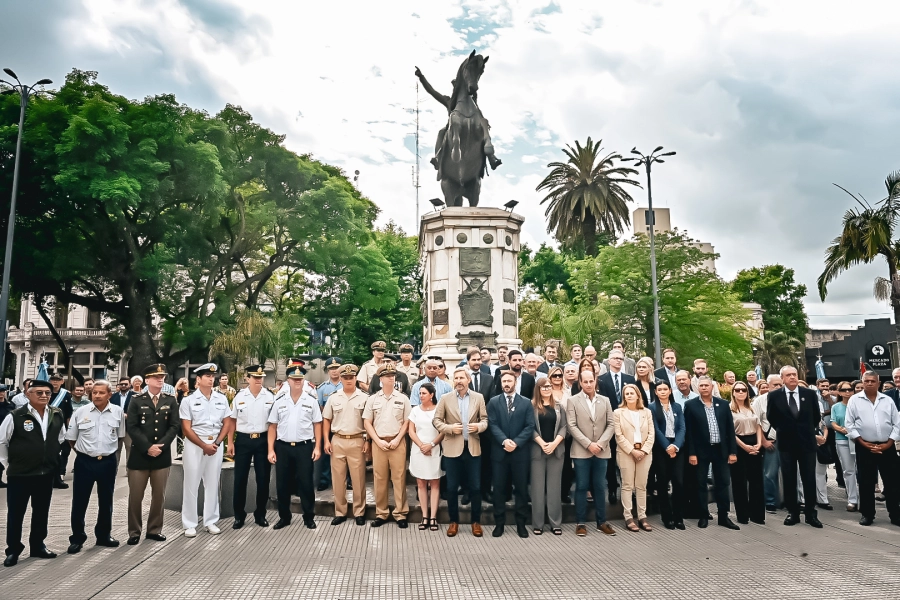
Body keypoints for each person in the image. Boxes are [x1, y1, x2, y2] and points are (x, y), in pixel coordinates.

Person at [0, 379, 66, 567]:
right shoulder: (16, 415)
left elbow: (60, 439)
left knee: (41, 512)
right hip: (20, 474)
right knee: (16, 513)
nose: (44, 396)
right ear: (28, 394)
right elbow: (2, 442)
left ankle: (38, 545)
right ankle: (13, 549)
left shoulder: (57, 414)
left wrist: (51, 459)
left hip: (45, 474)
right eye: (39, 393)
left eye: (47, 393)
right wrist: (8, 465)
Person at [65, 380, 125, 555]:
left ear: (109, 394)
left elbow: (120, 436)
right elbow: (71, 438)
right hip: (85, 462)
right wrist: (85, 453)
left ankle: (104, 535)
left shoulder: (118, 412)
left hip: (107, 462)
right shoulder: (81, 412)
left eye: (101, 393)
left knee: (106, 500)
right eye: (94, 393)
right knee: (79, 501)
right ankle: (77, 538)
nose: (97, 395)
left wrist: (106, 452)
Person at [125, 364, 181, 546]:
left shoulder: (170, 400)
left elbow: (174, 426)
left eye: (162, 376)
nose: (160, 379)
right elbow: (132, 427)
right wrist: (147, 447)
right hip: (140, 455)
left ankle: (154, 530)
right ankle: (134, 532)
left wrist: (161, 446)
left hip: (161, 456)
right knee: (135, 496)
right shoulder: (136, 399)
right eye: (156, 377)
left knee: (159, 496)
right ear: (147, 380)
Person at [766, 366, 823, 528]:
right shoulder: (774, 396)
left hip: (807, 443)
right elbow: (772, 418)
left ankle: (811, 514)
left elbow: (816, 417)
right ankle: (793, 513)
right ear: (782, 378)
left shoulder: (810, 394)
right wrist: (786, 430)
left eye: (794, 374)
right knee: (789, 478)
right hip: (786, 443)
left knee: (809, 479)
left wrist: (804, 431)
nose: (792, 377)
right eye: (788, 375)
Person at [434, 369, 489, 537]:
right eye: (456, 378)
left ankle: (475, 522)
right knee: (451, 488)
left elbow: (485, 420)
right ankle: (453, 521)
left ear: (468, 380)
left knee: (475, 487)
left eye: (462, 378)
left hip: (472, 447)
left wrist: (479, 427)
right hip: (452, 449)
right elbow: (436, 420)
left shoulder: (478, 397)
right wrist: (449, 428)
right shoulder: (445, 399)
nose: (459, 381)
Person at [267, 364, 322, 530]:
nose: (297, 381)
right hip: (282, 447)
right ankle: (284, 517)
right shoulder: (279, 401)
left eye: (300, 379)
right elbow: (272, 426)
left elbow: (317, 425)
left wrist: (317, 447)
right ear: (288, 381)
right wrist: (270, 449)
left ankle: (309, 517)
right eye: (294, 379)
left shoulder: (311, 401)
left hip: (304, 447)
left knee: (305, 483)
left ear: (303, 380)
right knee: (282, 483)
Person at [179, 363, 230, 537]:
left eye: (212, 376)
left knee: (212, 484)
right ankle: (190, 523)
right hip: (195, 445)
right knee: (191, 484)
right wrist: (204, 446)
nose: (211, 379)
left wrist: (216, 443)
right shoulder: (188, 400)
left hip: (215, 445)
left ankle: (210, 521)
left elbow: (227, 422)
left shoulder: (221, 399)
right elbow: (186, 428)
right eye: (207, 376)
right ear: (198, 379)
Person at [684, 376, 740, 530]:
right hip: (701, 451)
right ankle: (703, 515)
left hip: (721, 450)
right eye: (701, 385)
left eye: (706, 385)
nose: (704, 388)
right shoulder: (691, 405)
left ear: (711, 387)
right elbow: (689, 432)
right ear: (698, 388)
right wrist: (692, 453)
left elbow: (729, 429)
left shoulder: (722, 404)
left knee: (723, 483)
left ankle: (724, 516)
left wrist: (732, 452)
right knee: (701, 483)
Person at [845, 371, 900, 526]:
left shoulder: (887, 400)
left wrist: (889, 443)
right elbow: (849, 424)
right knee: (866, 482)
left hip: (886, 446)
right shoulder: (855, 400)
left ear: (878, 382)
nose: (869, 383)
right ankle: (867, 514)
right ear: (862, 382)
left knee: (892, 481)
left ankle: (895, 514)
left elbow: (897, 424)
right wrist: (862, 442)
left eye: (872, 381)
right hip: (865, 446)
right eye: (866, 381)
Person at [565, 368, 616, 537]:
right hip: (581, 451)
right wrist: (588, 444)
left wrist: (600, 444)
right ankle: (580, 522)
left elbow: (611, 424)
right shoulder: (573, 401)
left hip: (601, 451)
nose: (588, 384)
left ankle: (602, 522)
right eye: (585, 381)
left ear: (595, 381)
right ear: (580, 383)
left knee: (600, 487)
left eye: (591, 381)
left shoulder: (605, 400)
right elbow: (571, 426)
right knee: (581, 486)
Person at [226, 365, 275, 530]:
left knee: (263, 480)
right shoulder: (240, 396)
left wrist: (271, 447)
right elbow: (232, 421)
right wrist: (230, 442)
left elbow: (273, 423)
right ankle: (239, 516)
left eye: (261, 377)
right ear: (247, 378)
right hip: (243, 440)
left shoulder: (270, 396)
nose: (259, 380)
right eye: (255, 377)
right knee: (240, 479)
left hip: (262, 440)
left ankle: (260, 515)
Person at [488, 370, 535, 538]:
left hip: (520, 453)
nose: (506, 384)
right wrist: (504, 441)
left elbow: (530, 426)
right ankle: (499, 523)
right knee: (499, 489)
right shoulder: (493, 402)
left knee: (521, 489)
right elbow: (492, 424)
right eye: (504, 381)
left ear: (515, 382)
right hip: (500, 453)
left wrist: (516, 442)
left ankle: (521, 523)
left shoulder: (526, 402)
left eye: (509, 381)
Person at [364, 363, 412, 528]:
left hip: (397, 442)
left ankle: (400, 513)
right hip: (379, 442)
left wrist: (398, 439)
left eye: (393, 375)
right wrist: (377, 441)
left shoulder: (403, 398)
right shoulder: (372, 399)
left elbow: (407, 422)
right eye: (387, 375)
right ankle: (381, 513)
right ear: (381, 379)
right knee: (380, 479)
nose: (391, 377)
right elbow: (367, 422)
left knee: (399, 478)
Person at [322, 364, 369, 526]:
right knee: (338, 479)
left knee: (358, 479)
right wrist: (327, 440)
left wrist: (367, 440)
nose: (349, 380)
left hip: (357, 439)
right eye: (346, 378)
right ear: (341, 379)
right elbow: (326, 420)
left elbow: (369, 421)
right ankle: (340, 512)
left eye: (351, 377)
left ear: (356, 378)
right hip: (338, 440)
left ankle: (359, 512)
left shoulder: (364, 397)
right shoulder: (334, 397)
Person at [614, 384, 655, 532]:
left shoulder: (647, 412)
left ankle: (642, 516)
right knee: (627, 485)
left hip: (644, 452)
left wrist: (643, 450)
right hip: (626, 452)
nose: (629, 395)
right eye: (627, 393)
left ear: (638, 395)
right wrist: (632, 451)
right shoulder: (618, 413)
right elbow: (619, 436)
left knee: (641, 485)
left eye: (632, 393)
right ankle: (628, 516)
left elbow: (651, 434)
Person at [530, 376, 567, 535]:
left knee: (554, 488)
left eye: (549, 386)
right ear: (538, 389)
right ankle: (538, 524)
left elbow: (565, 427)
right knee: (537, 489)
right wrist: (542, 443)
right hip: (538, 451)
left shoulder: (559, 406)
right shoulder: (531, 406)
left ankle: (555, 523)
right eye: (543, 387)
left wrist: (553, 444)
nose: (546, 389)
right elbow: (528, 427)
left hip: (556, 451)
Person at [597, 349, 635, 504]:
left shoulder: (630, 378)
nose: (619, 361)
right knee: (611, 458)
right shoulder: (601, 379)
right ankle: (612, 489)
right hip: (609, 423)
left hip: (628, 422)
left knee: (628, 456)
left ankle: (630, 489)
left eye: (621, 358)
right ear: (609, 361)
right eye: (616, 358)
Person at [649, 380, 686, 529]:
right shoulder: (651, 408)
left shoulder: (677, 406)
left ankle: (679, 517)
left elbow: (682, 428)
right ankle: (667, 517)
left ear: (670, 391)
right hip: (661, 449)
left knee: (678, 482)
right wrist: (667, 446)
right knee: (663, 483)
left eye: (665, 389)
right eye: (660, 389)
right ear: (656, 392)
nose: (663, 391)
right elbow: (655, 429)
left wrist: (676, 445)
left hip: (677, 448)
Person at [409, 382, 444, 531]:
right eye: (420, 393)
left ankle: (433, 517)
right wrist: (422, 446)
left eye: (424, 393)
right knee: (421, 483)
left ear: (432, 395)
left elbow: (443, 431)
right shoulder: (415, 410)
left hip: (435, 450)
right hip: (418, 450)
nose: (421, 396)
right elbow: (411, 431)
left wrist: (431, 445)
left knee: (435, 484)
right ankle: (424, 516)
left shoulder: (439, 410)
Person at [729, 382, 765, 525]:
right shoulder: (729, 409)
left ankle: (757, 515)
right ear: (733, 392)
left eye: (743, 390)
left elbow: (758, 426)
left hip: (755, 444)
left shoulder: (752, 408)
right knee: (740, 482)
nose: (740, 392)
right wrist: (744, 446)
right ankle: (743, 515)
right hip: (739, 445)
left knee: (757, 481)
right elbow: (730, 432)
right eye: (737, 390)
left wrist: (759, 444)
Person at [752, 374, 782, 514]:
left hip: (789, 442)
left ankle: (790, 501)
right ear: (767, 385)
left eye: (779, 384)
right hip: (771, 442)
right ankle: (770, 502)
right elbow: (755, 422)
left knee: (791, 473)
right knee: (770, 474)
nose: (777, 387)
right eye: (774, 385)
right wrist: (763, 441)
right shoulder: (760, 401)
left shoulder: (788, 399)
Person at [315, 357, 344, 493]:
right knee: (326, 454)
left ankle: (347, 480)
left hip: (344, 425)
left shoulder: (346, 385)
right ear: (327, 370)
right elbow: (320, 407)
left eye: (337, 368)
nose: (334, 371)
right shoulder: (322, 388)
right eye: (331, 369)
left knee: (346, 455)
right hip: (328, 425)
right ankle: (324, 480)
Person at [830, 381, 859, 512]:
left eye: (850, 389)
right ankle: (852, 499)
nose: (847, 392)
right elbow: (833, 423)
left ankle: (863, 498)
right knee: (848, 470)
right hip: (842, 440)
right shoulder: (836, 407)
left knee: (862, 470)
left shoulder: (858, 404)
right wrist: (842, 430)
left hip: (859, 440)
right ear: (839, 392)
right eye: (844, 390)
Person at [48, 373, 74, 489]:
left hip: (61, 426)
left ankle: (61, 473)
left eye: (57, 380)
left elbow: (69, 412)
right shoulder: (46, 392)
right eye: (53, 379)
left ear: (62, 382)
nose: (55, 382)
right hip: (47, 426)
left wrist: (69, 427)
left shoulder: (65, 394)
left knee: (64, 451)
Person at [0, 386, 12, 488]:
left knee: (2, 458)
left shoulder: (10, 405)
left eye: (3, 391)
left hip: (6, 434)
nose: (1, 393)